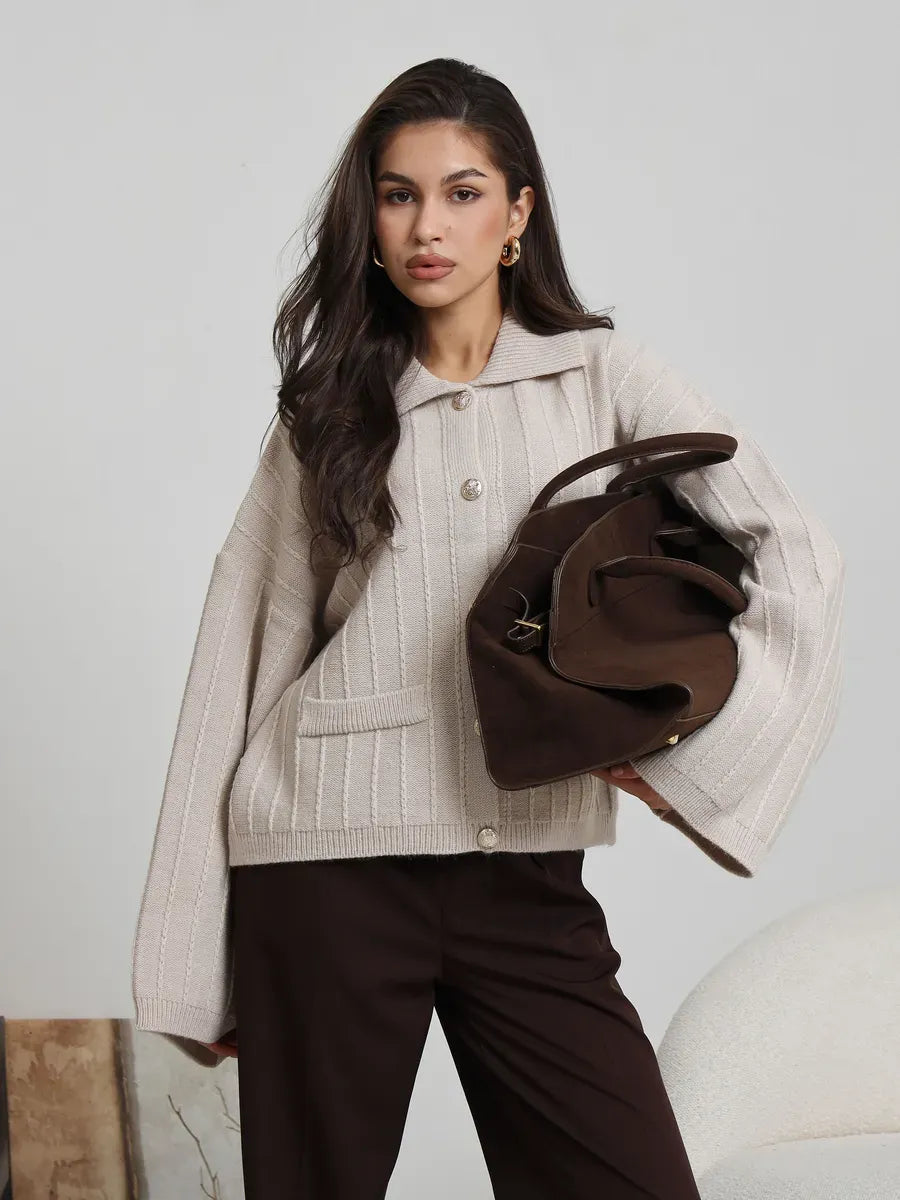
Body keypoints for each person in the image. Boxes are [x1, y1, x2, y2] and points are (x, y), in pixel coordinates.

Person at [131, 56, 844, 1198]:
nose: (428, 225)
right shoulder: (329, 412)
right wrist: (185, 957)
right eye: (400, 193)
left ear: (518, 212)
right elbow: (239, 655)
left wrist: (691, 757)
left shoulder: (604, 377)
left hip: (525, 878)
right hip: (323, 873)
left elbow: (797, 553)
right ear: (368, 217)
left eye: (463, 192)